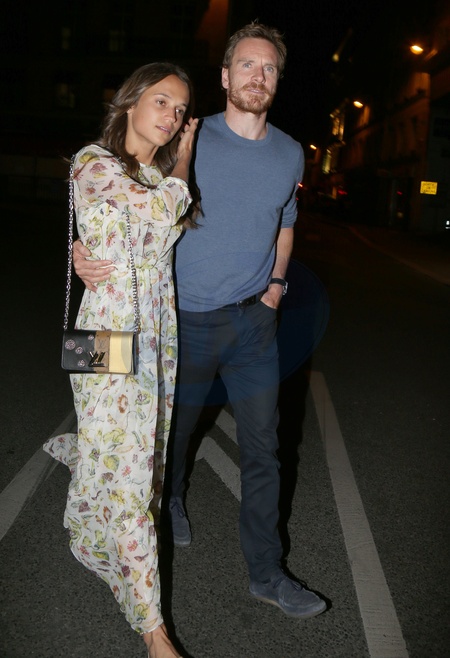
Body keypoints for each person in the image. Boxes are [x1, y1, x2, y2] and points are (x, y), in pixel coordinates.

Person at [73, 22, 327, 620]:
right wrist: (83, 251)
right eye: (247, 65)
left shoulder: (290, 152)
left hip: (254, 325)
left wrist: (275, 286)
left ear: (277, 80)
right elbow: (122, 192)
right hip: (182, 323)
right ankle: (173, 499)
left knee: (264, 449)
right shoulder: (186, 134)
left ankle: (267, 572)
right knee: (173, 434)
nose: (257, 76)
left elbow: (285, 222)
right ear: (226, 76)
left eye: (268, 67)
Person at [44, 62, 198, 658]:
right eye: (162, 101)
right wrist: (185, 160)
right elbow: (156, 216)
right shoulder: (93, 162)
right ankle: (154, 632)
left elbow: (151, 232)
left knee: (130, 459)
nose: (172, 117)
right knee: (131, 474)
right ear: (130, 103)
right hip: (104, 334)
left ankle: (88, 530)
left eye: (180, 110)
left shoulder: (153, 176)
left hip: (155, 338)